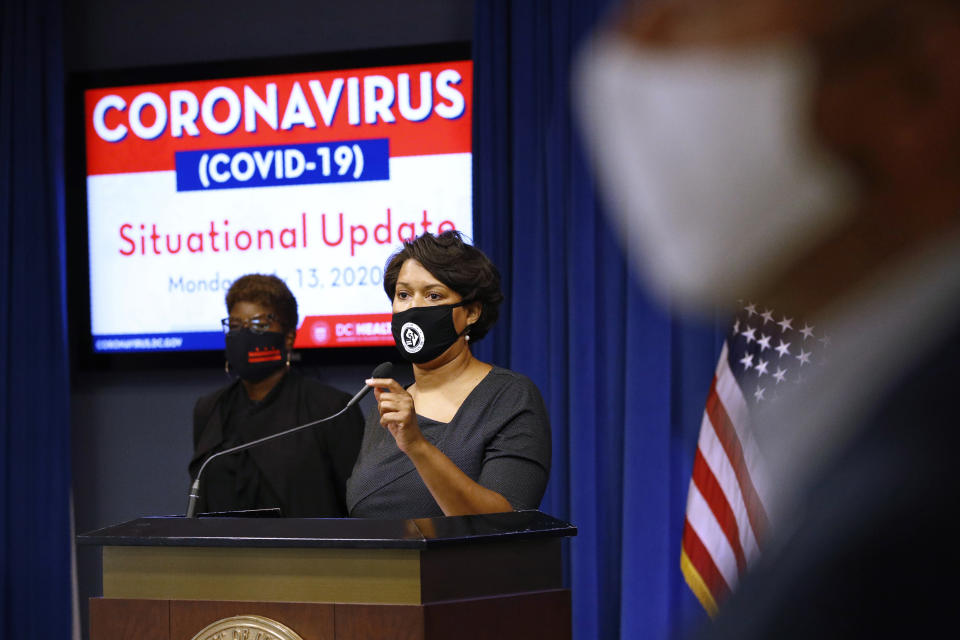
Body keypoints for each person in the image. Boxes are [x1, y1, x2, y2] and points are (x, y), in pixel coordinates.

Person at [575, 0, 960, 636]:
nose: (631, 51)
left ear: (924, 87)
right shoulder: (873, 446)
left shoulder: (913, 534)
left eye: (700, 11)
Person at [346, 231, 551, 518]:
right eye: (403, 295)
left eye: (433, 295)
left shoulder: (510, 398)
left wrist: (417, 445)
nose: (414, 307)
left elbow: (504, 522)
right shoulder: (387, 408)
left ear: (471, 313)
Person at [189, 274, 364, 517]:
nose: (244, 335)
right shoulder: (210, 409)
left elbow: (358, 510)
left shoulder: (332, 409)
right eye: (236, 326)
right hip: (221, 553)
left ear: (289, 337)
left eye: (259, 325)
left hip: (307, 553)